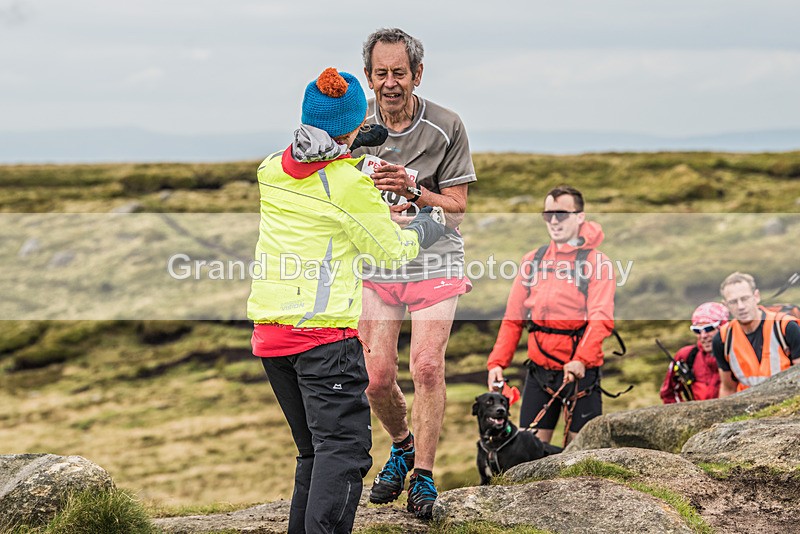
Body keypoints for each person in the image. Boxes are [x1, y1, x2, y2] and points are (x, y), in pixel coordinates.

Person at [247, 67, 445, 534]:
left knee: (314, 453)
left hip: (272, 340)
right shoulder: (350, 186)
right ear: (354, 125)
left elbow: (317, 177)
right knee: (346, 452)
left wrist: (349, 148)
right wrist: (424, 226)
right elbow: (391, 252)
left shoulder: (271, 169)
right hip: (323, 342)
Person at [352, 28, 476, 520]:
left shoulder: (447, 126)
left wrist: (413, 191)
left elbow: (459, 209)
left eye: (398, 73)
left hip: (435, 260)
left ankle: (423, 475)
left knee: (426, 366)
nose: (389, 83)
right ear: (367, 77)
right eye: (380, 74)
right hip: (377, 264)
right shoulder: (355, 129)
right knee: (376, 377)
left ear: (417, 74)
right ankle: (401, 444)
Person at [486, 185, 616, 446]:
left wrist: (580, 360)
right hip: (539, 373)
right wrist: (497, 363)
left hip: (581, 374)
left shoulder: (596, 262)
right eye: (548, 215)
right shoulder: (532, 260)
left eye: (562, 214)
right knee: (527, 452)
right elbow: (514, 317)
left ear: (580, 216)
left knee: (580, 456)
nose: (554, 221)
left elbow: (601, 318)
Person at [713, 272, 800, 396]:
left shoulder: (786, 327)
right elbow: (728, 389)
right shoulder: (722, 339)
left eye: (745, 298)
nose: (741, 306)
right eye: (733, 302)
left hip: (785, 402)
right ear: (726, 305)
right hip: (745, 409)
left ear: (756, 296)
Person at [660, 302, 729, 403]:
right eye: (697, 330)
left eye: (709, 328)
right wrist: (684, 415)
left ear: (723, 327)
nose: (703, 335)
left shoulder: (738, 355)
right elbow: (668, 393)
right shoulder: (685, 356)